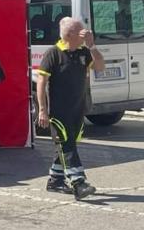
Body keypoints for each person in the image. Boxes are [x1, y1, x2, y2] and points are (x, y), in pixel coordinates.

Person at [37, 17, 105, 200]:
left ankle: (55, 180)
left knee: (68, 143)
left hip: (78, 108)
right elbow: (41, 82)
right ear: (70, 34)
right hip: (59, 111)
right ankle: (78, 182)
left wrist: (92, 46)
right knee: (67, 144)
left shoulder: (84, 51)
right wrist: (42, 109)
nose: (86, 33)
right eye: (81, 31)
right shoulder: (53, 53)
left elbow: (100, 66)